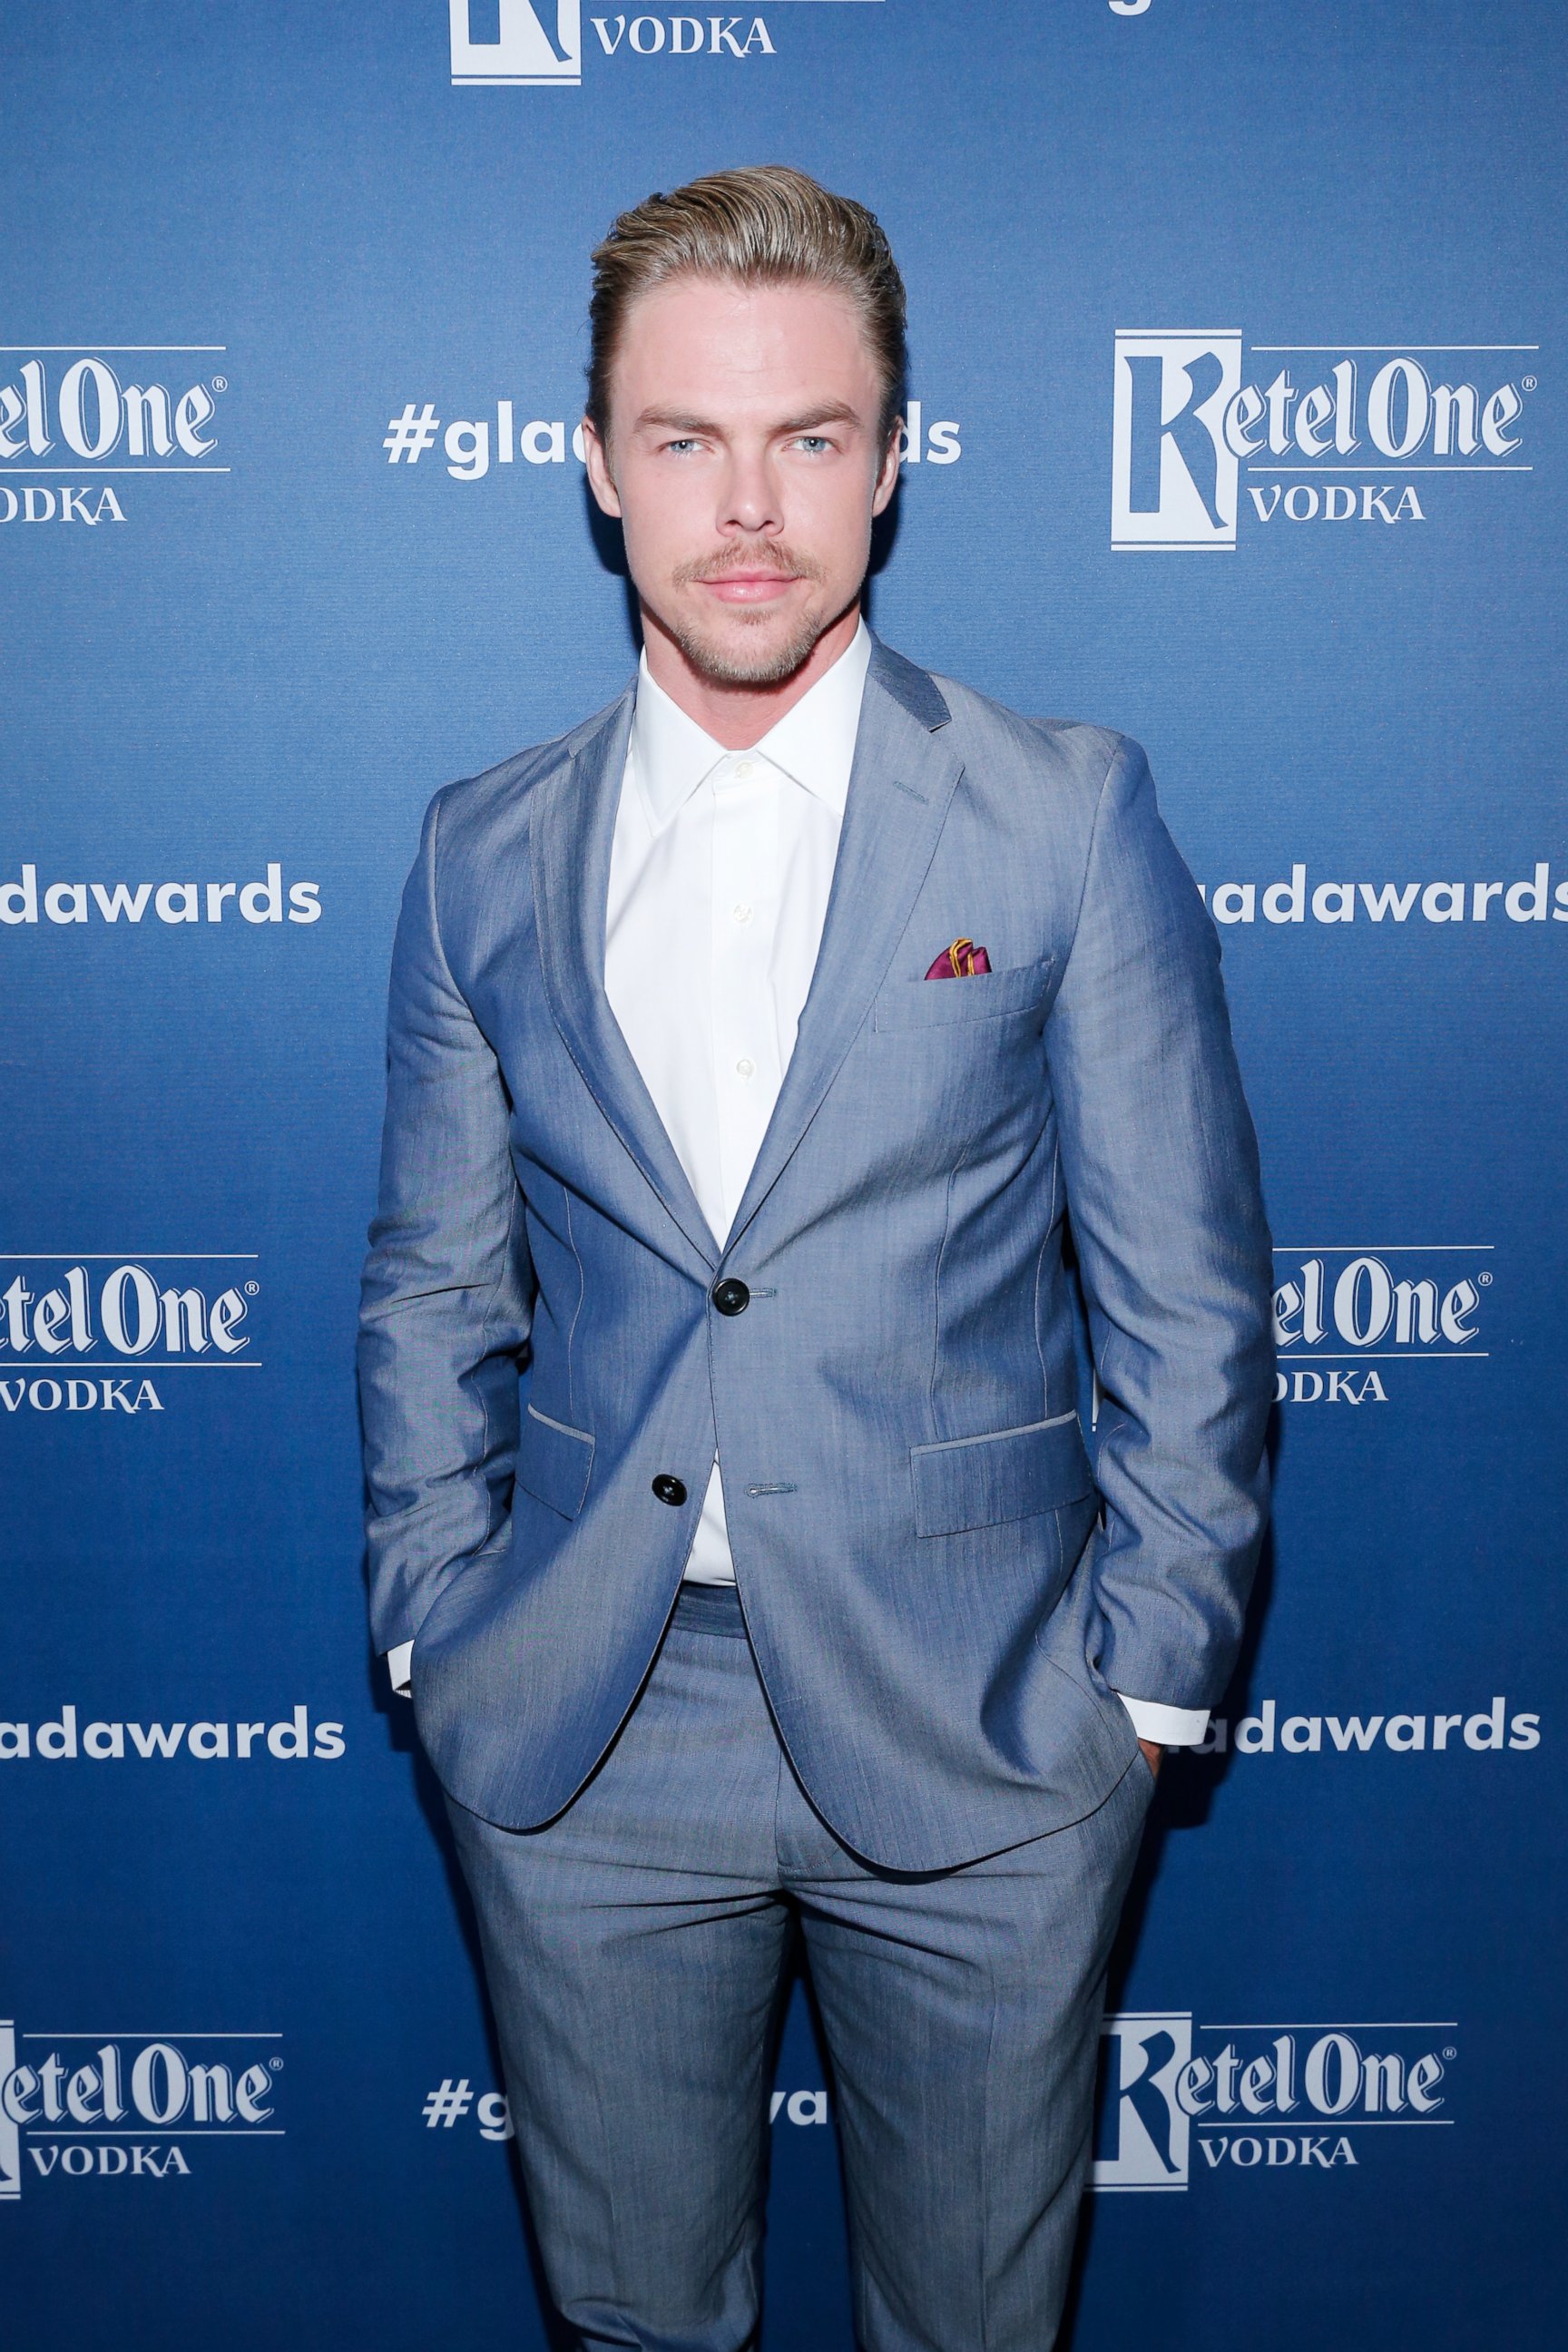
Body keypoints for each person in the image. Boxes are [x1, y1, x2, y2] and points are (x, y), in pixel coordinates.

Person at [358, 164, 1273, 2352]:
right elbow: (431, 1286)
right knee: (634, 2328)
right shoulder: (484, 848)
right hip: (582, 1729)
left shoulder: (1062, 814)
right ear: (595, 466)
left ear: (891, 456)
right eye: (685, 439)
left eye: (808, 437)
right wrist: (431, 1625)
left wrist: (1136, 1696)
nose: (747, 506)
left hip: (987, 1729)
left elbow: (1189, 1298)